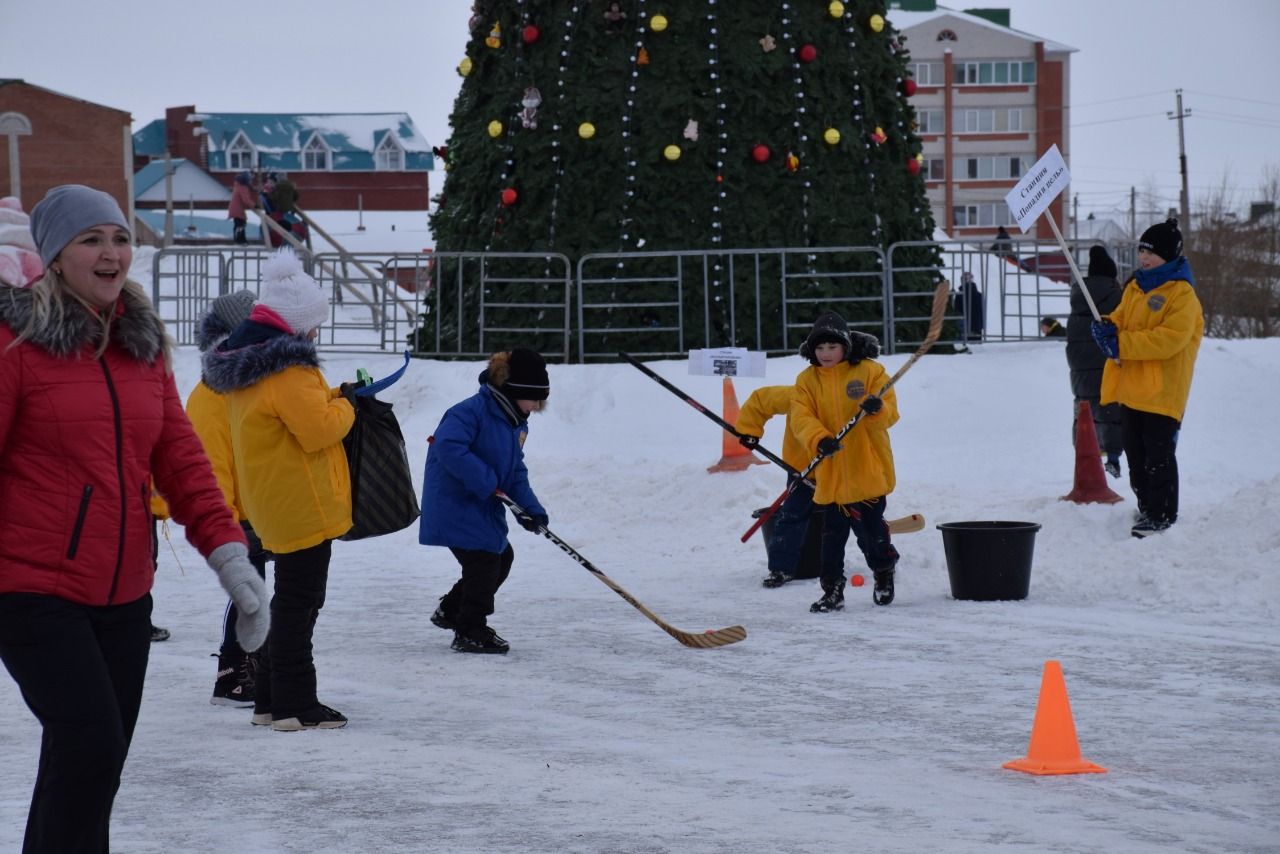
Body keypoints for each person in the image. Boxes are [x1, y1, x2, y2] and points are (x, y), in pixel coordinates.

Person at [0, 184, 268, 853]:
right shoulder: (17, 345)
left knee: (91, 763)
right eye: (90, 239)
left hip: (123, 594)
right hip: (32, 591)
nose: (111, 252)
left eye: (119, 237)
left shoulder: (139, 348)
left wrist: (230, 558)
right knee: (90, 745)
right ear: (55, 257)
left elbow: (181, 460)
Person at [203, 248, 354, 730]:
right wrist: (349, 407)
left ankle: (270, 699)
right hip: (301, 503)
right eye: (313, 326)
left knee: (287, 600)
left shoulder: (250, 366)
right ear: (296, 325)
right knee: (300, 603)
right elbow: (318, 431)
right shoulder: (288, 368)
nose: (315, 334)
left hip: (271, 502)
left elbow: (291, 414)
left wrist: (328, 396)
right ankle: (295, 703)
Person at [422, 348, 551, 654]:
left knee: (500, 558)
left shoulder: (515, 423)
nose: (536, 406)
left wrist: (531, 510)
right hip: (454, 503)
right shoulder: (469, 412)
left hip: (480, 505)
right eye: (533, 398)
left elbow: (514, 471)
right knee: (485, 562)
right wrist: (485, 480)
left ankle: (452, 610)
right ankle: (470, 630)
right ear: (514, 390)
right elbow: (448, 446)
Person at [1091, 218, 1203, 538]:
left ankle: (1162, 514)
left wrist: (1121, 344)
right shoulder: (1136, 287)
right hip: (1133, 388)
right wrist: (1107, 327)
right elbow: (1122, 319)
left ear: (1168, 255)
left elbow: (1168, 339)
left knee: (1158, 455)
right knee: (1135, 454)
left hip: (1162, 391)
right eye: (1141, 251)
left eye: (1150, 252)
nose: (1144, 257)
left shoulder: (1182, 295)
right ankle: (1146, 507)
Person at [189, 288, 272, 706]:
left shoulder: (241, 382)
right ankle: (232, 674)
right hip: (237, 512)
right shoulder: (214, 390)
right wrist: (228, 517)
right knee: (250, 594)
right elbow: (209, 460)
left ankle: (245, 667)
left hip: (254, 506)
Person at [789, 312, 901, 611]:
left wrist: (877, 408)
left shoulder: (869, 372)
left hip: (868, 471)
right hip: (832, 476)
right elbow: (801, 416)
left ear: (846, 346)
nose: (825, 354)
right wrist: (819, 438)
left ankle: (884, 570)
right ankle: (832, 590)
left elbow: (890, 413)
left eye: (832, 347)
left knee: (872, 535)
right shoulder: (807, 381)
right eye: (820, 348)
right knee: (831, 541)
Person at [737, 354, 877, 590]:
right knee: (791, 515)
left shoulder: (844, 399)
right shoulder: (797, 396)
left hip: (841, 471)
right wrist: (750, 430)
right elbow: (761, 400)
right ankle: (780, 568)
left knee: (858, 517)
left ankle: (880, 566)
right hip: (802, 471)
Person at [1068, 246, 1124, 477]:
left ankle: (1086, 456)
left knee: (1085, 410)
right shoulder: (1116, 298)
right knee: (1110, 408)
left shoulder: (1078, 299)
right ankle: (1112, 456)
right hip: (1106, 363)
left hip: (1079, 368)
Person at [227, 171, 256, 245]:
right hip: (237, 209)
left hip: (236, 208)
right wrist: (254, 205)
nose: (250, 181)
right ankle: (239, 241)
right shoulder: (242, 187)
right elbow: (246, 199)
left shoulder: (239, 185)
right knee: (240, 224)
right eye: (250, 180)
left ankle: (241, 240)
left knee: (240, 224)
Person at [955, 271, 984, 342]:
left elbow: (957, 311)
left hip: (963, 329)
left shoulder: (959, 295)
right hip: (977, 329)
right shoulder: (980, 295)